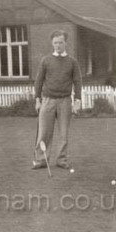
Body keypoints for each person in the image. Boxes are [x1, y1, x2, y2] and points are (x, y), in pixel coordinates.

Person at [32, 30, 82, 170]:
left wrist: (77, 101)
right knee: (44, 132)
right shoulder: (45, 60)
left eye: (60, 42)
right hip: (47, 100)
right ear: (52, 43)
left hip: (65, 101)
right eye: (55, 43)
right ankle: (41, 160)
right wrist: (37, 99)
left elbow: (78, 82)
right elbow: (38, 81)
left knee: (63, 133)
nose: (58, 45)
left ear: (65, 42)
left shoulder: (72, 62)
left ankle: (61, 160)